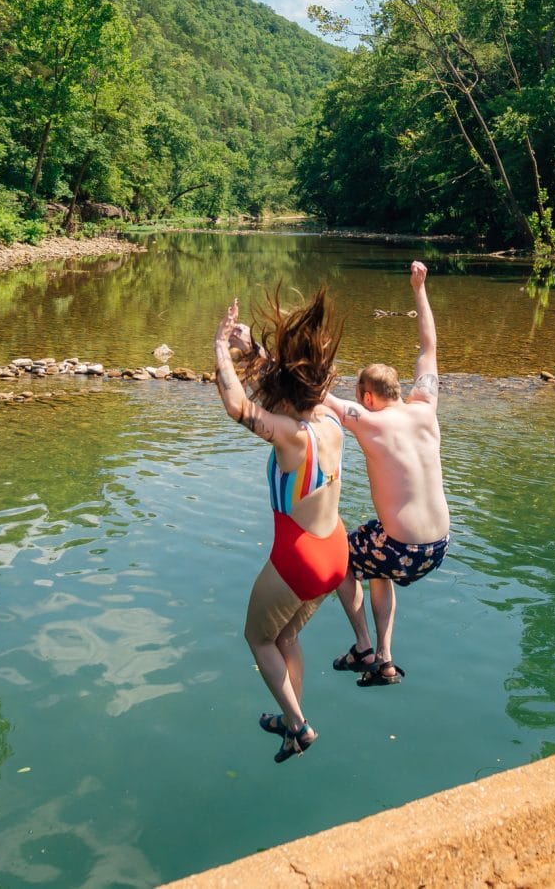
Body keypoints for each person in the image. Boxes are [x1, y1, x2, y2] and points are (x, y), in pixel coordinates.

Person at [211, 288, 347, 762]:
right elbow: (294, 383)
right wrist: (253, 349)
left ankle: (299, 726)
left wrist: (219, 351)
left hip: (302, 558)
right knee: (286, 636)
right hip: (336, 551)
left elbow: (237, 407)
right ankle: (293, 719)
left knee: (258, 637)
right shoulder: (329, 419)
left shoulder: (290, 438)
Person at [324, 261, 451, 687]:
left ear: (366, 396)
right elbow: (428, 347)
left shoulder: (369, 421)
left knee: (338, 556)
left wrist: (256, 352)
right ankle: (385, 660)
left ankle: (362, 645)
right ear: (398, 391)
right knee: (375, 557)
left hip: (403, 547)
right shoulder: (425, 408)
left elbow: (315, 394)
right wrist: (419, 289)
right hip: (438, 547)